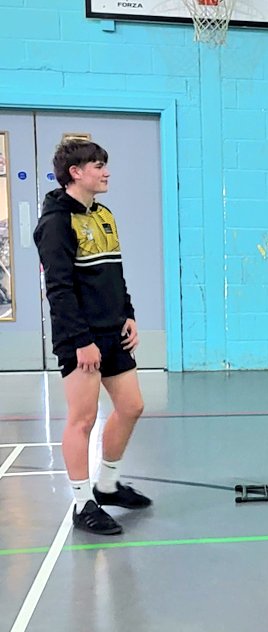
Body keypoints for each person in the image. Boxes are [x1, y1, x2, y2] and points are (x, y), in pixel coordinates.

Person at [33, 139, 152, 535]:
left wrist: (129, 314)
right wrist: (80, 339)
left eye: (105, 165)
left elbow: (114, 271)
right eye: (98, 166)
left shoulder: (104, 215)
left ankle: (107, 485)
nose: (106, 172)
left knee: (132, 406)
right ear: (75, 173)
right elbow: (59, 289)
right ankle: (82, 503)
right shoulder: (55, 223)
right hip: (80, 337)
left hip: (112, 329)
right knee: (82, 420)